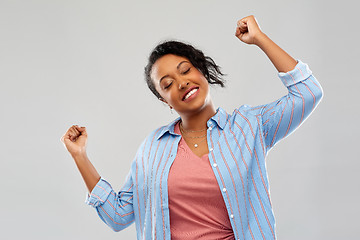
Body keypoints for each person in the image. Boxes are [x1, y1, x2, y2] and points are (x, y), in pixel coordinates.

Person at [61, 15, 323, 240]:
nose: (182, 83)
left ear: (202, 71)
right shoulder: (153, 148)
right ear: (166, 101)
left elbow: (307, 93)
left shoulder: (249, 126)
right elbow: (118, 216)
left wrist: (260, 38)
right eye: (167, 84)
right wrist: (80, 156)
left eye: (185, 70)